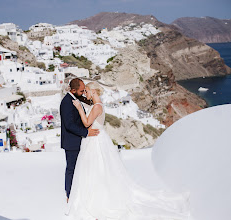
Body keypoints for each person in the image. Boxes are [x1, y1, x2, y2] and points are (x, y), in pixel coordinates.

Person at [66, 81, 190, 220]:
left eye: (87, 91)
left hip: (95, 140)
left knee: (96, 169)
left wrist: (79, 109)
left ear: (93, 91)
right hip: (95, 139)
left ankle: (97, 199)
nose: (85, 94)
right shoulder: (97, 105)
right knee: (96, 169)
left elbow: (87, 123)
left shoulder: (96, 106)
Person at [60, 78, 100, 203]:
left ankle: (79, 191)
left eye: (84, 90)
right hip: (72, 142)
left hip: (78, 141)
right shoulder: (67, 102)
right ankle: (70, 195)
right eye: (81, 91)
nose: (83, 93)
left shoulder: (75, 98)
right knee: (71, 168)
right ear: (73, 90)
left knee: (79, 168)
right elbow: (69, 125)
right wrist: (86, 132)